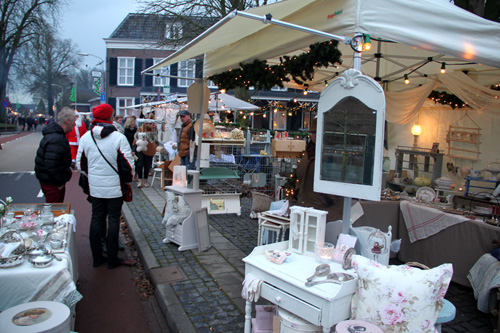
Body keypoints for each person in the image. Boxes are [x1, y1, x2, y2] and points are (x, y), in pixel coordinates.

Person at [77, 103, 135, 269]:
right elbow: (128, 166)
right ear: (110, 117)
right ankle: (112, 259)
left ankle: (97, 258)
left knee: (96, 218)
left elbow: (80, 165)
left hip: (95, 187)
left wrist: (92, 177)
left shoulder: (86, 137)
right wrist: (126, 180)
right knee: (114, 220)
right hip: (115, 187)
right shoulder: (119, 138)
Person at [294, 117, 344, 221]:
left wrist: (327, 198)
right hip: (306, 207)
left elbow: (337, 180)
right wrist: (296, 195)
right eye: (313, 132)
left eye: (319, 132)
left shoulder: (332, 153)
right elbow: (301, 176)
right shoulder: (308, 152)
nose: (315, 135)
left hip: (325, 212)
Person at [34, 107, 75, 203]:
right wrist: (59, 182)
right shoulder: (57, 140)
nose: (75, 124)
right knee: (54, 210)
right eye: (73, 121)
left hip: (48, 180)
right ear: (67, 121)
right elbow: (52, 164)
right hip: (52, 183)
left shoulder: (54, 135)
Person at [133, 113, 156, 188]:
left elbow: (153, 140)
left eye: (150, 123)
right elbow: (135, 139)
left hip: (149, 149)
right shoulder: (140, 129)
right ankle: (140, 181)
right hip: (140, 149)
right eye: (148, 123)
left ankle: (145, 181)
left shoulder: (153, 130)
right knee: (139, 164)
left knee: (147, 165)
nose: (149, 125)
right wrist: (133, 149)